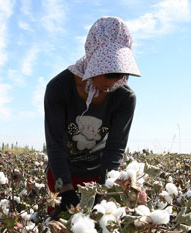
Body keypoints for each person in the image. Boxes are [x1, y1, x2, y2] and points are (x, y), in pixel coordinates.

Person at [44, 16, 141, 211]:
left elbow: (115, 149)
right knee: (60, 230)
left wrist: (104, 190)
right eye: (108, 74)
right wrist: (66, 188)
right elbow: (55, 144)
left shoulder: (125, 98)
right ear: (93, 65)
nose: (113, 82)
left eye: (120, 74)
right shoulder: (58, 88)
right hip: (63, 172)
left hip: (99, 174)